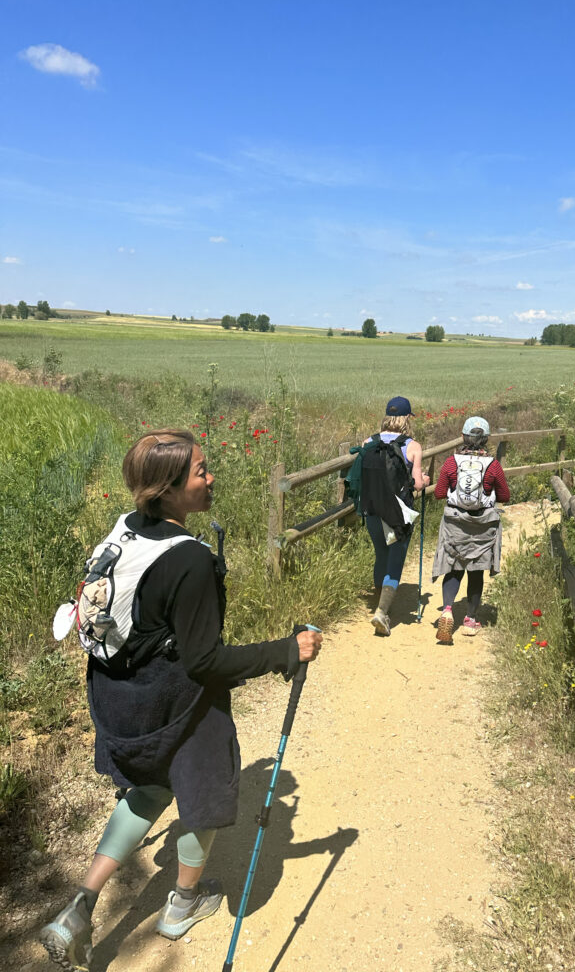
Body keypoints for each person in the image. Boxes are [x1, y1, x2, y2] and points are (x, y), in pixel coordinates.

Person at [39, 429, 323, 972]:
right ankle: (182, 906)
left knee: (147, 787)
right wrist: (287, 650)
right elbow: (205, 663)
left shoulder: (124, 530)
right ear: (167, 490)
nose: (211, 478)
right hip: (175, 703)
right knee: (204, 785)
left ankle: (79, 906)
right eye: (201, 471)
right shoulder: (189, 559)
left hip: (120, 696)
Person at [432, 416, 510, 643]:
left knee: (454, 568)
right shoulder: (493, 465)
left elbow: (439, 493)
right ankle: (470, 619)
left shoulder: (450, 463)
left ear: (464, 436)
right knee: (476, 571)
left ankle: (447, 610)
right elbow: (504, 496)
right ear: (486, 439)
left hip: (455, 523)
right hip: (482, 527)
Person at [362, 396, 429, 637]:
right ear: (406, 419)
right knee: (395, 559)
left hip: (371, 510)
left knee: (381, 553)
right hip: (398, 513)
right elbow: (419, 485)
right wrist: (425, 481)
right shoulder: (413, 446)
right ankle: (382, 611)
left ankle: (380, 603)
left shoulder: (369, 441)